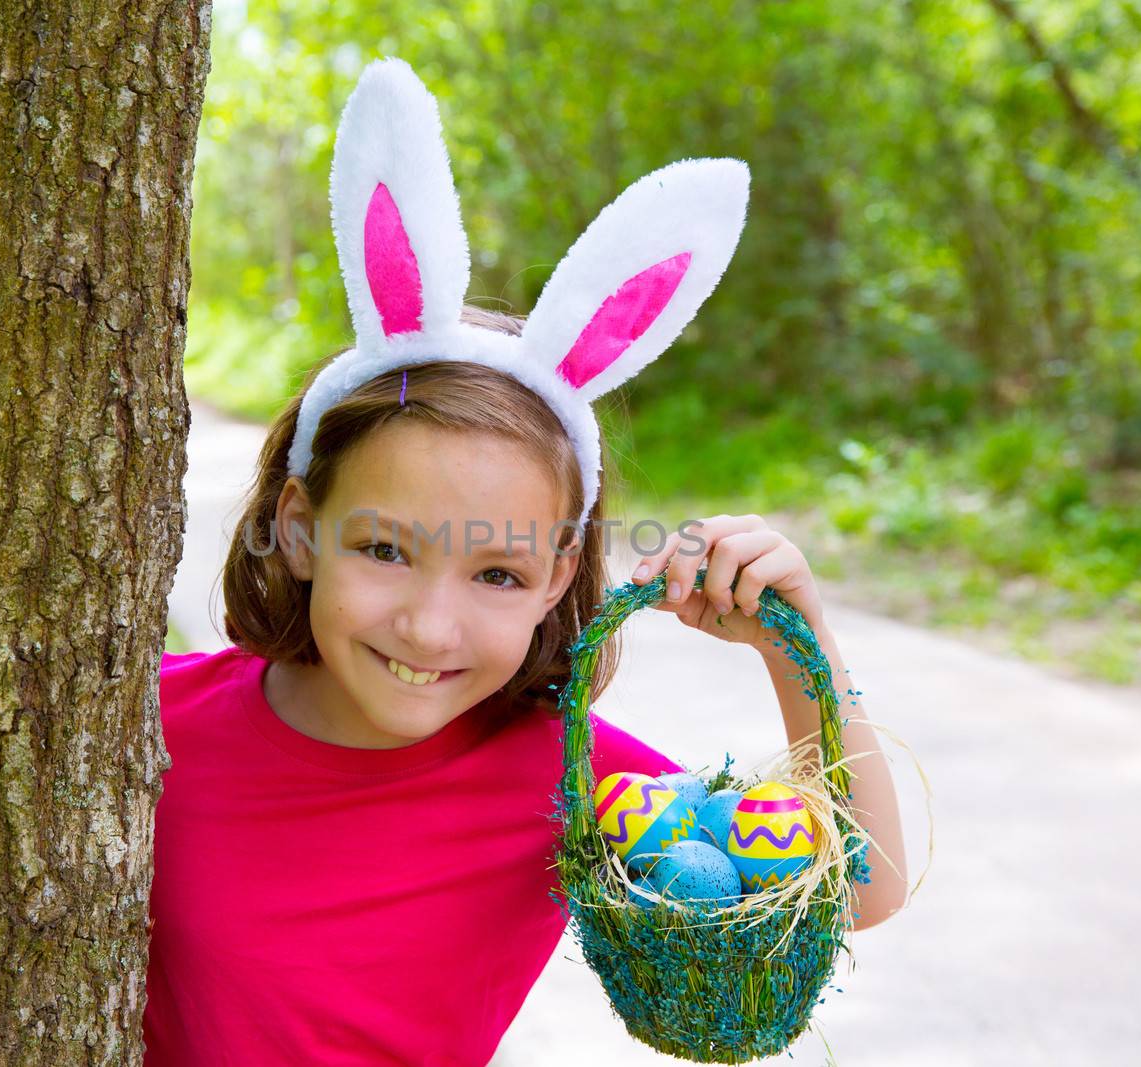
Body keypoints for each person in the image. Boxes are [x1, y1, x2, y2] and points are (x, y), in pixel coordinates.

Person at [142, 58, 908, 1066]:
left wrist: (793, 645)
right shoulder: (148, 726)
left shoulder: (562, 772)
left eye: (495, 573)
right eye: (382, 549)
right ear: (295, 526)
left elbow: (857, 886)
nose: (427, 624)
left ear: (557, 578)